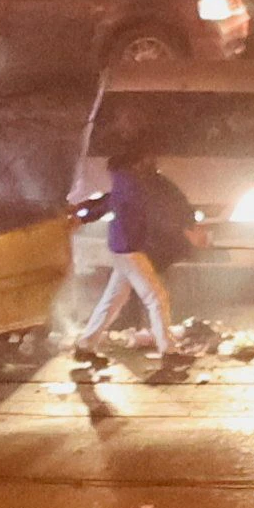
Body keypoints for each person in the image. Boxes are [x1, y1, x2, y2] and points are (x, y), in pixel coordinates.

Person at [69, 141, 185, 359]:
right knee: (156, 298)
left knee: (113, 300)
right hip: (130, 248)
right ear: (137, 162)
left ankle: (85, 346)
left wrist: (84, 214)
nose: (152, 162)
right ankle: (168, 351)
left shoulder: (125, 182)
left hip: (123, 247)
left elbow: (109, 202)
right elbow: (143, 206)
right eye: (148, 159)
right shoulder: (133, 183)